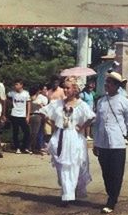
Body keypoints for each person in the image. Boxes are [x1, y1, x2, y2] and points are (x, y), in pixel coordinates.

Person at [40, 76, 95, 206]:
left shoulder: (81, 105)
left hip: (74, 138)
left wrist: (81, 128)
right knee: (61, 167)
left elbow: (91, 117)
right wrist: (54, 125)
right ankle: (67, 191)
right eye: (64, 87)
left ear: (75, 89)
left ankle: (68, 195)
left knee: (72, 165)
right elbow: (45, 113)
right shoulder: (58, 103)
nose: (65, 90)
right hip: (60, 137)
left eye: (68, 88)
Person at [93, 72, 128, 213]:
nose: (107, 85)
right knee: (106, 173)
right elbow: (98, 123)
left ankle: (112, 200)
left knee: (116, 173)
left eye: (110, 83)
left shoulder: (124, 102)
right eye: (106, 83)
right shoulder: (101, 101)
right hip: (103, 143)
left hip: (117, 142)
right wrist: (95, 143)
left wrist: (120, 131)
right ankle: (111, 194)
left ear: (117, 86)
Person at [8, 79, 31, 154]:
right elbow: (5, 98)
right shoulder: (12, 93)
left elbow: (29, 104)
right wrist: (10, 105)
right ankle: (17, 147)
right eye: (15, 84)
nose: (15, 86)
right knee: (15, 132)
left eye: (17, 84)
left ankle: (24, 147)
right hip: (14, 114)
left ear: (21, 85)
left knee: (27, 132)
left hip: (23, 115)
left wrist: (28, 116)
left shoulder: (26, 93)